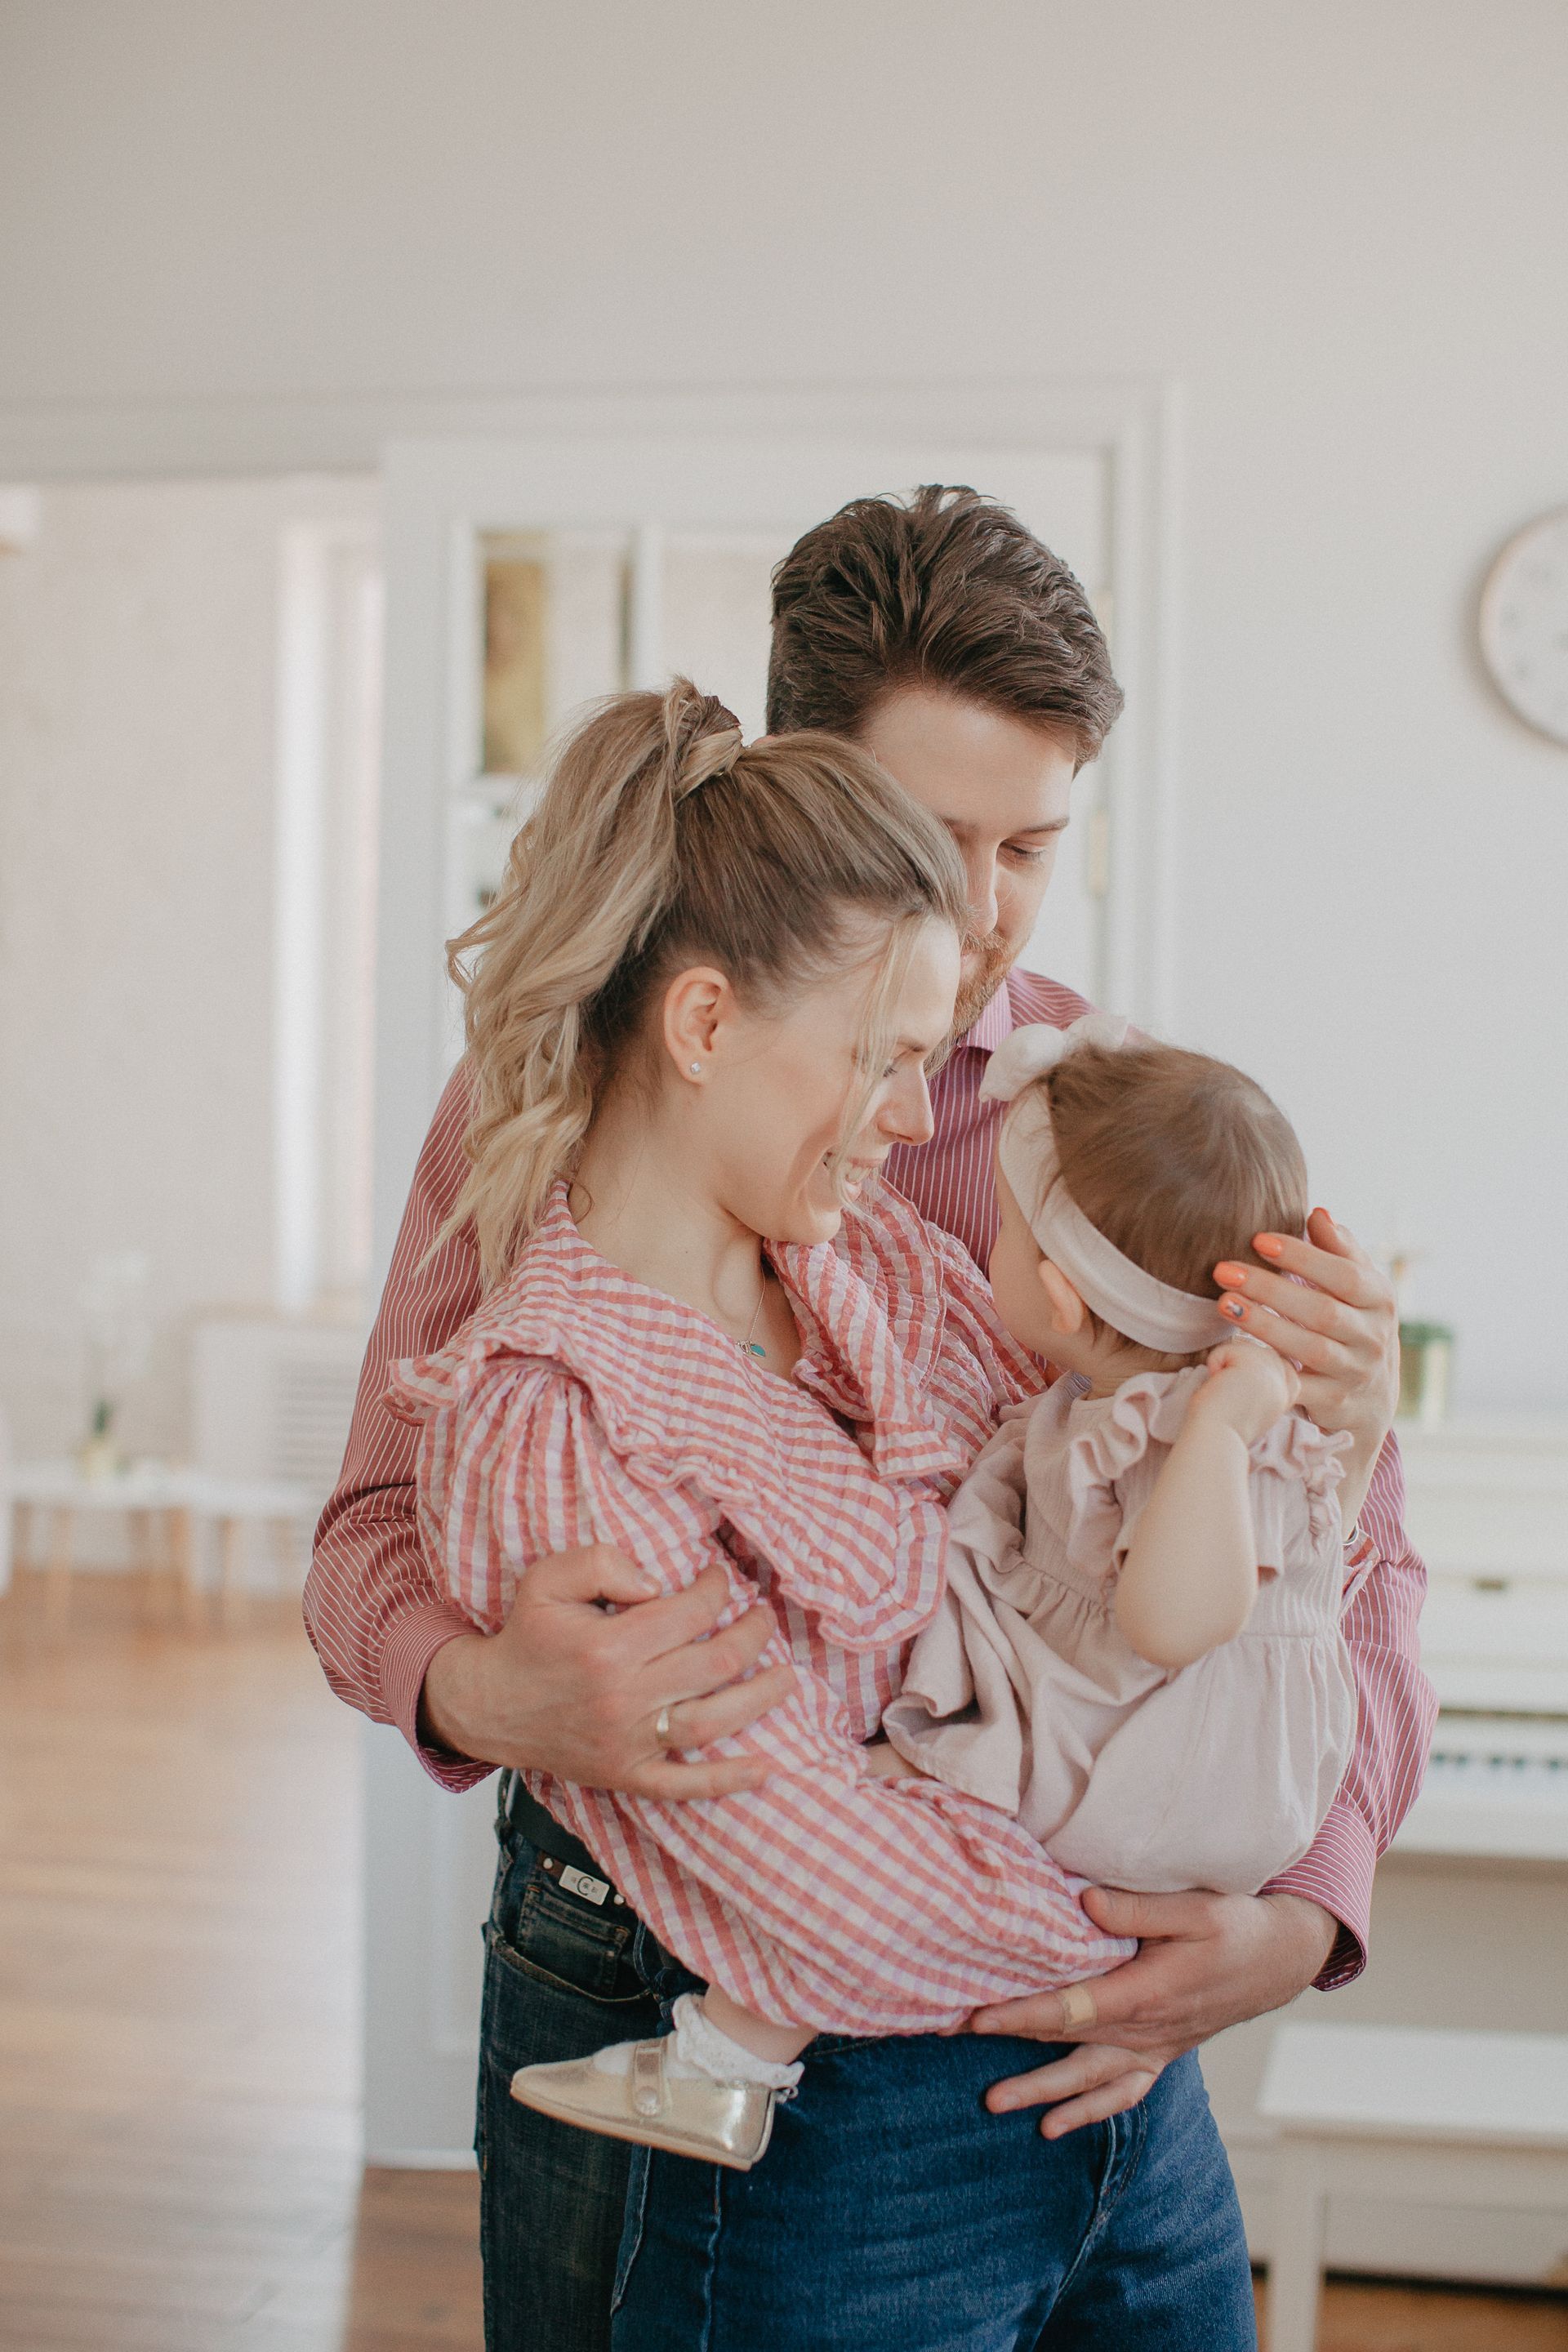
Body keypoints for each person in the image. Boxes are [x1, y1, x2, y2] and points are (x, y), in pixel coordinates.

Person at [305, 488, 1434, 2350]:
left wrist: (1303, 1912)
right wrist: (480, 1688)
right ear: (805, 791)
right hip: (693, 1970)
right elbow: (365, 1530)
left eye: (1034, 845)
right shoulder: (545, 1104)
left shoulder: (1115, 1116)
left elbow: (1352, 1556)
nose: (987, 916)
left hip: (1119, 2042)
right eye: (937, 838)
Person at [506, 1014, 1370, 2171]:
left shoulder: (1200, 1432)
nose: (982, 1247)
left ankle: (726, 2064)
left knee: (885, 1813)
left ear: (1061, 1300)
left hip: (1155, 1763)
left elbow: (1173, 1625)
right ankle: (732, 2050)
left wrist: (1220, 1431)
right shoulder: (1132, 1404)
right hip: (1150, 1735)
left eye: (1006, 1234)